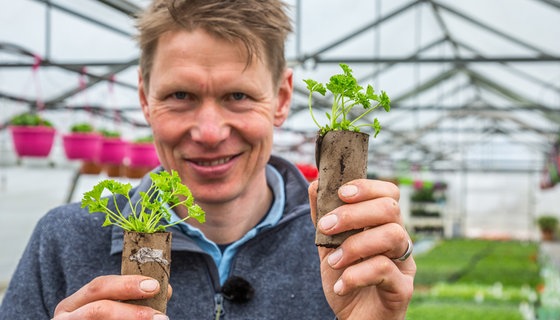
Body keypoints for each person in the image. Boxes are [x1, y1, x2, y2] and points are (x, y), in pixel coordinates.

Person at [0, 0, 416, 319]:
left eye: (238, 96)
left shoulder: (349, 249)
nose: (210, 132)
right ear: (145, 98)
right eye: (181, 96)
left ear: (283, 98)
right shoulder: (64, 242)